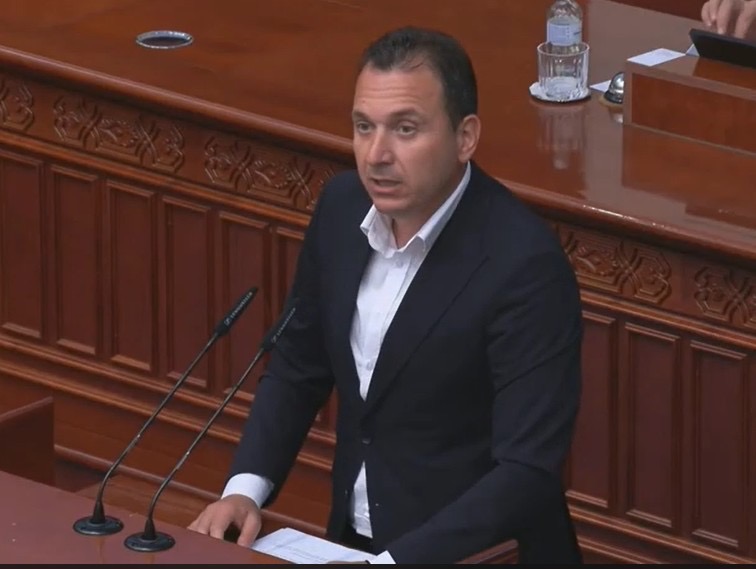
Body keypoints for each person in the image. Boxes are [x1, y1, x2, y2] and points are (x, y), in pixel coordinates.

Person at [188, 25, 584, 565]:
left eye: (405, 129)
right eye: (363, 127)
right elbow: (298, 367)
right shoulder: (342, 207)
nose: (376, 154)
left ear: (465, 137)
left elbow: (526, 470)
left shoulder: (523, 265)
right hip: (354, 545)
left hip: (479, 556)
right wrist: (245, 490)